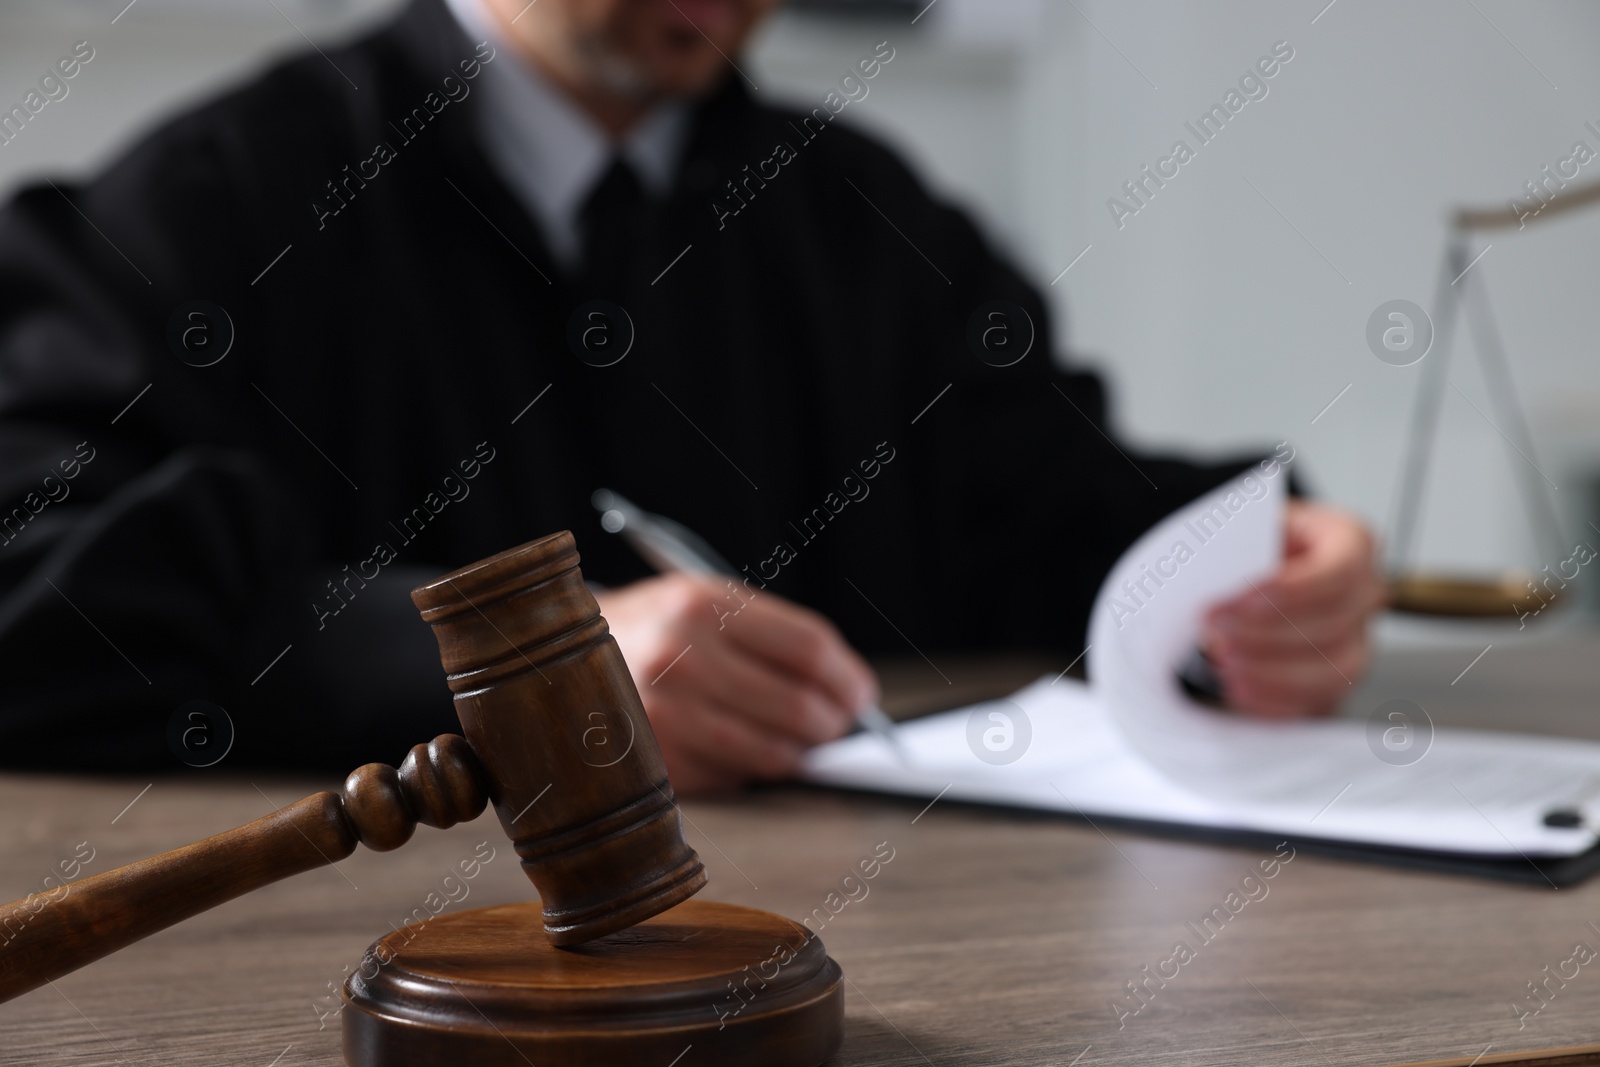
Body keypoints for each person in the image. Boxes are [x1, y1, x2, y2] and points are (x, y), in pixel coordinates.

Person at [0, 0, 1384, 793]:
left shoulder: (863, 219)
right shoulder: (211, 206)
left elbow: (1049, 512)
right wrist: (505, 669)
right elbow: (35, 577)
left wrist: (1247, 574)